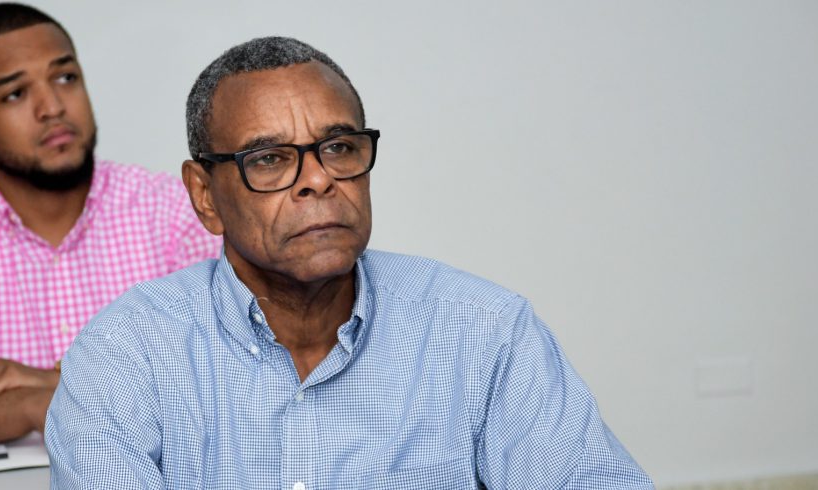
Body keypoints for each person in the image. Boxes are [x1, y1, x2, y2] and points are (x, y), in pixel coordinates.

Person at [45, 36, 654, 488]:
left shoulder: (485, 331)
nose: (318, 180)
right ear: (205, 196)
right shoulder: (125, 357)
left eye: (338, 147)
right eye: (269, 159)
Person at [0, 3, 219, 447]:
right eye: (15, 94)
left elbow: (228, 370)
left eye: (65, 78)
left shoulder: (175, 210)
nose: (52, 107)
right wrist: (35, 406)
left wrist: (52, 383)